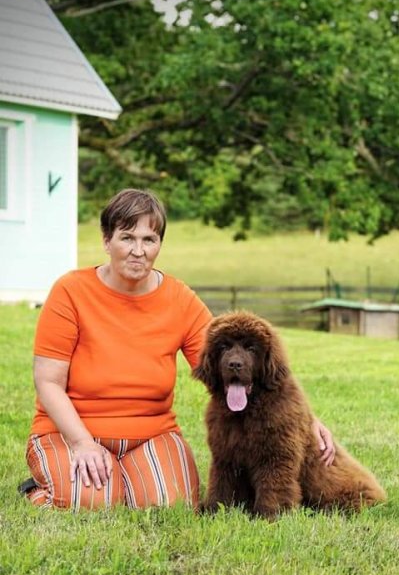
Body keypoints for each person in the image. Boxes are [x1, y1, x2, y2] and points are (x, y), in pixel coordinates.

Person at [21, 189, 335, 510]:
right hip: (71, 430)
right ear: (106, 241)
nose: (138, 251)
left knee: (172, 505)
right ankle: (42, 488)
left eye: (149, 239)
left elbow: (233, 360)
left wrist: (306, 420)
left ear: (159, 244)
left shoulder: (179, 298)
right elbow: (48, 381)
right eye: (127, 238)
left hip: (150, 433)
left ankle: (120, 478)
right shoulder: (70, 291)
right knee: (93, 502)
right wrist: (81, 443)